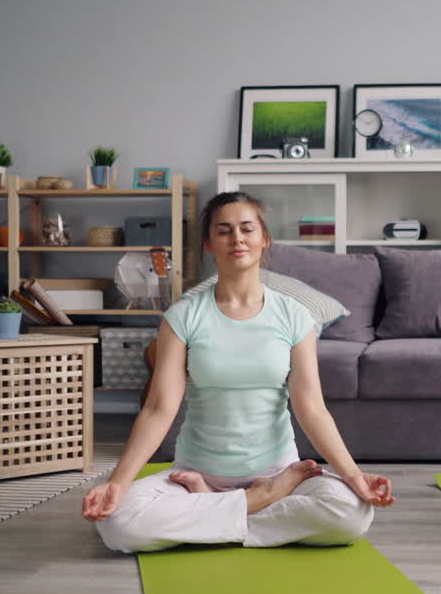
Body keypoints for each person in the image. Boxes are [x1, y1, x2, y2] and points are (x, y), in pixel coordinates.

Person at [83, 191, 394, 552]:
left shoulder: (295, 316)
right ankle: (255, 504)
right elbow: (158, 408)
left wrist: (354, 477)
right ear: (209, 245)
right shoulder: (183, 317)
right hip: (195, 476)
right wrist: (118, 484)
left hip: (279, 473)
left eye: (247, 228)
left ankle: (215, 517)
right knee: (119, 525)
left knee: (352, 514)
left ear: (264, 240)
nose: (237, 239)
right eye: (224, 230)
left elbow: (311, 407)